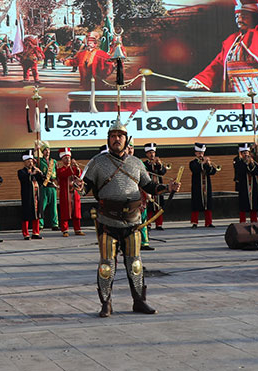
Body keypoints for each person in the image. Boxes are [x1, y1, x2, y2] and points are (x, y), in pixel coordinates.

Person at [72, 121, 180, 317]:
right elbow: (85, 187)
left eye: (120, 136)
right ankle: (106, 304)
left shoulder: (136, 163)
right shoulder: (98, 162)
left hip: (132, 221)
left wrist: (167, 188)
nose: (116, 139)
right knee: (106, 265)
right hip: (107, 221)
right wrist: (79, 187)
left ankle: (139, 301)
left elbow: (149, 186)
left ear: (126, 139)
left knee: (135, 263)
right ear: (108, 139)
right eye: (113, 136)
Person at [185, 0, 258, 93]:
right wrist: (200, 80)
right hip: (235, 96)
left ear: (255, 17)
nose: (239, 19)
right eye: (237, 16)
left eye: (244, 16)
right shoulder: (231, 41)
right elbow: (218, 65)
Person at [189, 143, 219, 228]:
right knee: (196, 203)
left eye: (202, 153)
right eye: (199, 153)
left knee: (208, 204)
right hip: (197, 186)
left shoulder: (207, 163)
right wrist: (203, 163)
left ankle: (208, 222)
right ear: (195, 153)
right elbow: (195, 169)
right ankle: (195, 222)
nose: (200, 154)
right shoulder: (192, 163)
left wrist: (208, 164)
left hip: (207, 186)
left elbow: (213, 172)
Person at [56, 148, 84, 236]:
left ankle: (77, 229)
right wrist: (73, 168)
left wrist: (78, 169)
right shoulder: (60, 170)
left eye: (68, 157)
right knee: (65, 211)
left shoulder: (74, 168)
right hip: (65, 194)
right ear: (62, 159)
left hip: (74, 193)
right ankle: (65, 230)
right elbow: (64, 174)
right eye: (65, 158)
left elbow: (80, 176)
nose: (68, 159)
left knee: (76, 212)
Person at [18, 152, 44, 239]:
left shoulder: (35, 170)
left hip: (37, 196)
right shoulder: (21, 172)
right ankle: (25, 233)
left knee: (36, 214)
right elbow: (24, 179)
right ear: (24, 162)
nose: (30, 163)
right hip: (27, 197)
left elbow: (42, 181)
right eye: (28, 161)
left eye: (31, 161)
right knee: (26, 214)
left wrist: (40, 173)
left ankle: (36, 233)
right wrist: (32, 174)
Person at [142, 143, 167, 231]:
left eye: (153, 152)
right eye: (149, 153)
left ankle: (159, 224)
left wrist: (159, 165)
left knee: (159, 206)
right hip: (149, 187)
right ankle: (148, 224)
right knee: (149, 207)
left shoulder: (159, 163)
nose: (152, 154)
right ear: (146, 154)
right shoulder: (145, 164)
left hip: (158, 187)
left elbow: (163, 172)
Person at [234, 144, 258, 222]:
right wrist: (245, 163)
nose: (246, 154)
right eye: (244, 152)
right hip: (243, 184)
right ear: (240, 153)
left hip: (253, 184)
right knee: (243, 203)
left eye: (247, 152)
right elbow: (239, 171)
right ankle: (242, 221)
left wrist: (251, 164)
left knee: (254, 203)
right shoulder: (237, 160)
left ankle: (254, 220)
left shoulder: (253, 160)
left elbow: (257, 171)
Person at [37, 145, 59, 231]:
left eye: (48, 150)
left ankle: (55, 224)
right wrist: (35, 149)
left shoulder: (53, 161)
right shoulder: (39, 161)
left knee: (54, 206)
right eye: (45, 150)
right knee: (42, 206)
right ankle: (40, 224)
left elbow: (57, 173)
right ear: (42, 152)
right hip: (44, 186)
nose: (47, 152)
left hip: (52, 186)